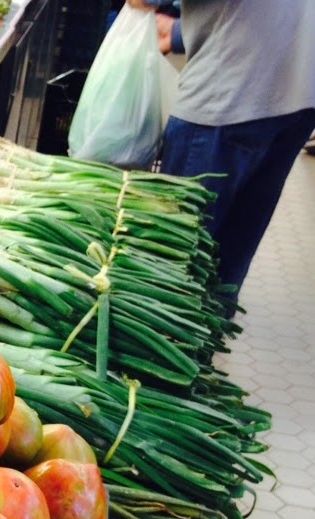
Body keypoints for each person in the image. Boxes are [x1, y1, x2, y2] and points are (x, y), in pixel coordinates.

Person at [126, 0, 315, 317]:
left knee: (177, 254)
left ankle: (170, 331)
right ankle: (205, 331)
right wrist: (178, 32)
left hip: (232, 90)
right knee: (230, 254)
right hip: (297, 84)